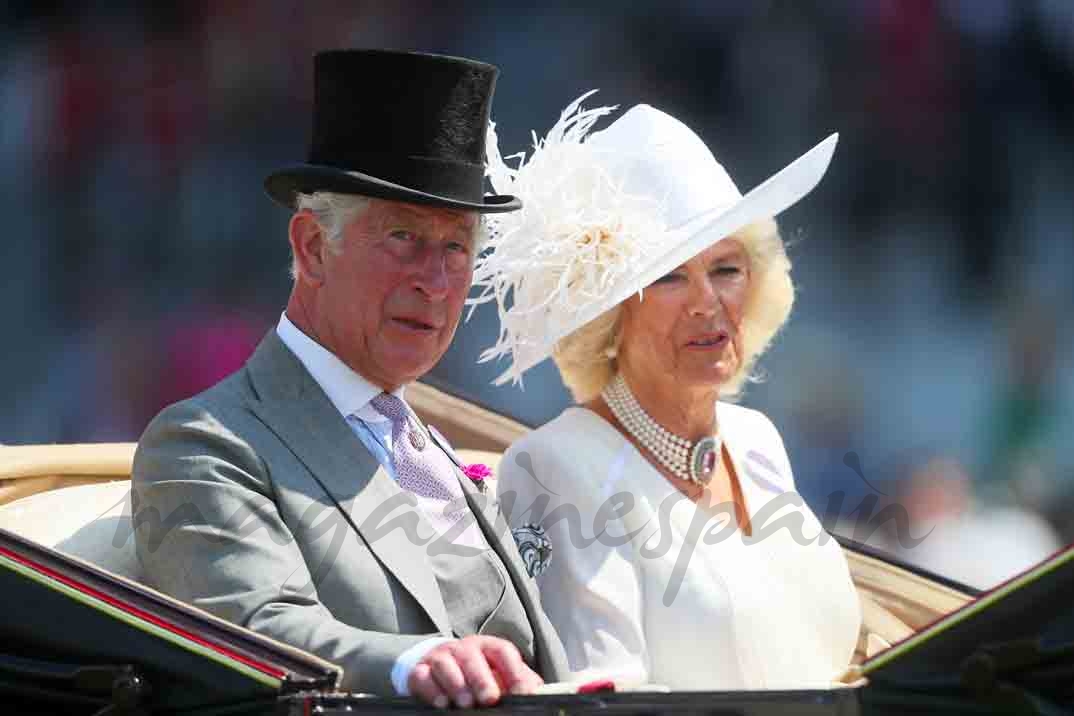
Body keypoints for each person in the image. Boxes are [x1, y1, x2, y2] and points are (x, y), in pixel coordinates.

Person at [131, 49, 568, 708]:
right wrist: (418, 662)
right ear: (311, 248)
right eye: (403, 236)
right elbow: (254, 631)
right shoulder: (205, 445)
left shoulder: (435, 448)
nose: (437, 279)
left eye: (457, 246)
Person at [472, 95, 862, 689]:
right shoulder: (556, 466)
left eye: (726, 269)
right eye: (669, 277)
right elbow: (606, 696)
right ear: (605, 316)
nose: (708, 302)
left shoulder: (758, 439)